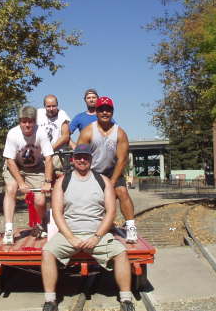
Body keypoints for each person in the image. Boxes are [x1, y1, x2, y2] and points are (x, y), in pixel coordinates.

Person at [41, 144, 135, 311]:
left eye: (86, 157)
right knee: (47, 252)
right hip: (69, 234)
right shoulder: (63, 181)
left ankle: (126, 299)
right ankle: (50, 301)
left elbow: (111, 212)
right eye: (79, 157)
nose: (82, 160)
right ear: (73, 160)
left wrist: (97, 237)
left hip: (97, 234)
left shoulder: (103, 181)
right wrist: (70, 238)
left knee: (121, 253)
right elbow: (57, 213)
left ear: (91, 160)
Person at [77, 96, 137, 243]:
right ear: (96, 111)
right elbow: (79, 157)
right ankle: (85, 227)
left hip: (112, 171)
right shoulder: (87, 132)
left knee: (122, 191)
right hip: (92, 172)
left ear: (112, 112)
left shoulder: (120, 133)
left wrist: (112, 181)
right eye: (101, 109)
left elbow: (122, 160)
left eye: (108, 110)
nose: (105, 112)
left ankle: (131, 227)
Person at [2, 106, 54, 245]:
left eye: (30, 121)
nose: (27, 125)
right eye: (24, 121)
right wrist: (20, 183)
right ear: (20, 121)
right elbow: (10, 160)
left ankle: (42, 224)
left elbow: (49, 158)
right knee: (11, 189)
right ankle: (8, 230)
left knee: (40, 200)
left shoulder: (41, 133)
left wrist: (47, 181)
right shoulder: (13, 134)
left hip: (35, 168)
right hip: (15, 166)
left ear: (35, 121)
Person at [36, 95, 71, 171]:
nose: (51, 109)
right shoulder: (38, 113)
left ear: (57, 105)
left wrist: (48, 150)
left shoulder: (62, 114)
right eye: (48, 106)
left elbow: (65, 136)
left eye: (54, 106)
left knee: (57, 176)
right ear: (44, 106)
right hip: (39, 155)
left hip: (56, 154)